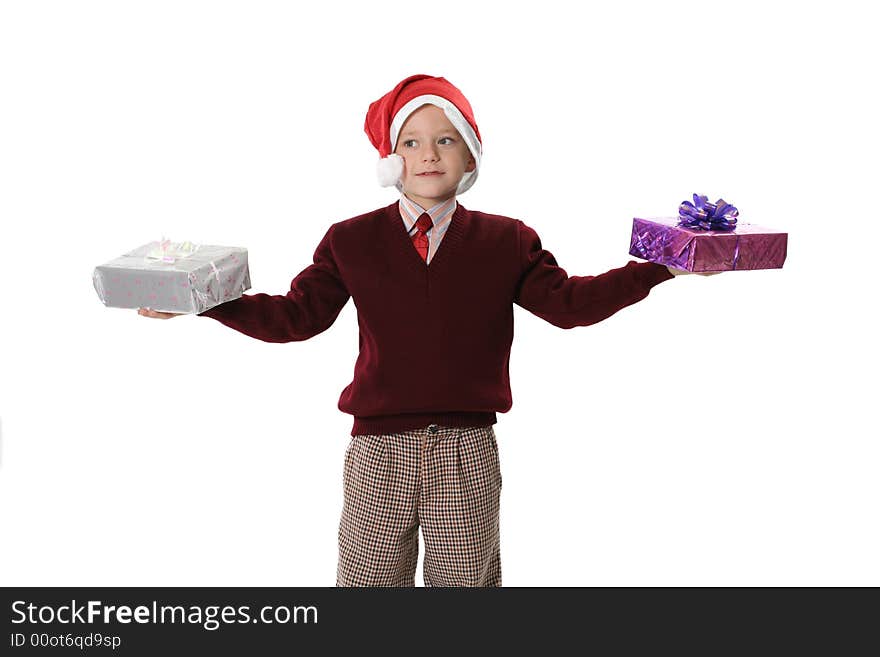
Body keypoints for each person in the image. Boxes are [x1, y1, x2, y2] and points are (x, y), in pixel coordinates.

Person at [138, 74, 717, 586]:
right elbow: (297, 317)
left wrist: (660, 265)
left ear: (470, 157)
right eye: (411, 142)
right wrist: (204, 302)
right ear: (392, 159)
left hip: (466, 450)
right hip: (377, 451)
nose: (428, 155)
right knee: (368, 587)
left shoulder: (507, 240)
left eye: (446, 140)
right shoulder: (351, 239)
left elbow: (569, 304)